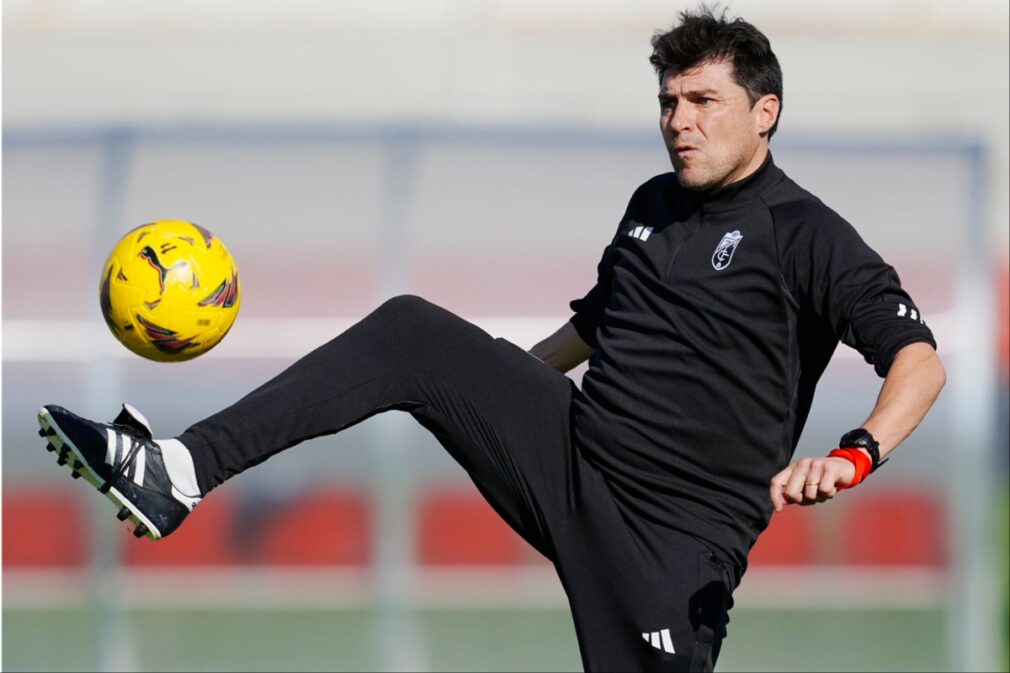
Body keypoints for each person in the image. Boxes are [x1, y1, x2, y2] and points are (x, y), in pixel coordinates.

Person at [37, 7, 946, 672]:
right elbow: (598, 327)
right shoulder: (652, 205)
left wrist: (858, 453)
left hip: (671, 543)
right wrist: (479, 385)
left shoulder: (806, 232)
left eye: (705, 101)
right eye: (669, 101)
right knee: (412, 334)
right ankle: (177, 471)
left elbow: (919, 358)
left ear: (766, 112)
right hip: (575, 454)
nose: (680, 121)